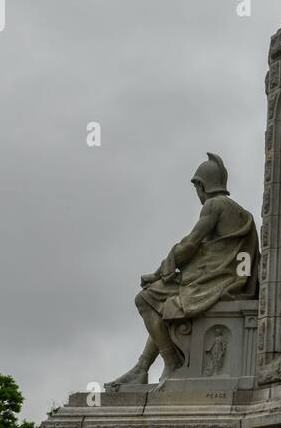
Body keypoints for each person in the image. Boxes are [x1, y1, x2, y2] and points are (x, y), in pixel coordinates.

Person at [108, 153, 258, 387]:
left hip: (214, 282)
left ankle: (171, 362)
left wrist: (159, 272)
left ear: (201, 185)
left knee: (145, 298)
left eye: (197, 187)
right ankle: (142, 367)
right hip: (229, 280)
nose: (197, 194)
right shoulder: (241, 212)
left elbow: (190, 244)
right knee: (164, 300)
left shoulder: (213, 205)